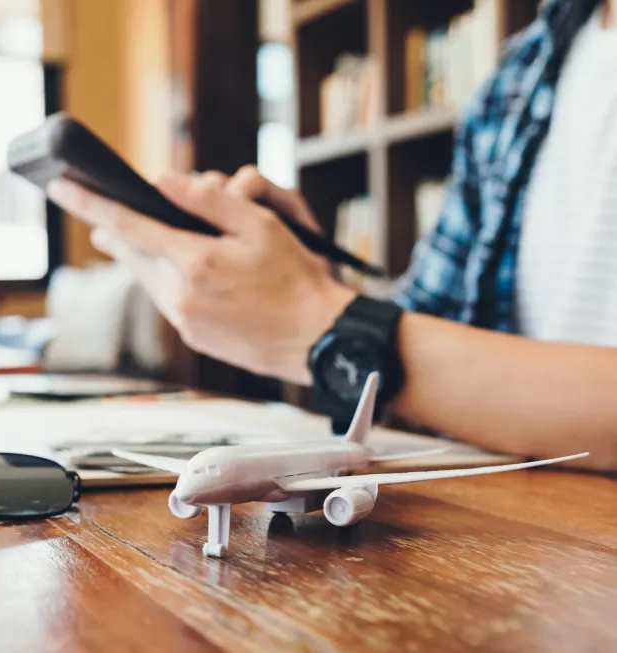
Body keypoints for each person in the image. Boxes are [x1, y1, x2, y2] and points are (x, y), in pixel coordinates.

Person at [47, 0, 617, 471]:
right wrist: (314, 288)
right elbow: (437, 337)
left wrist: (320, 324)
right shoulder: (523, 71)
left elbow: (406, 357)